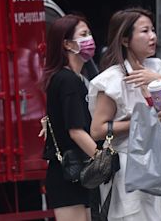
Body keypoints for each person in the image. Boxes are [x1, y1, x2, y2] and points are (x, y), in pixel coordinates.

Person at [88, 8, 161, 220]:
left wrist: (157, 78)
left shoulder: (158, 70)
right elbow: (97, 130)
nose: (153, 36)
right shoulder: (112, 80)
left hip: (156, 164)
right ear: (126, 40)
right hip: (127, 168)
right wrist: (143, 122)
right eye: (145, 31)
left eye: (153, 30)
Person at [41, 15, 98, 221]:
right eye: (83, 35)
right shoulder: (68, 81)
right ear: (66, 43)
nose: (89, 39)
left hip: (77, 172)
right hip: (69, 173)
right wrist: (104, 162)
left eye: (89, 34)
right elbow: (76, 131)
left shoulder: (76, 79)